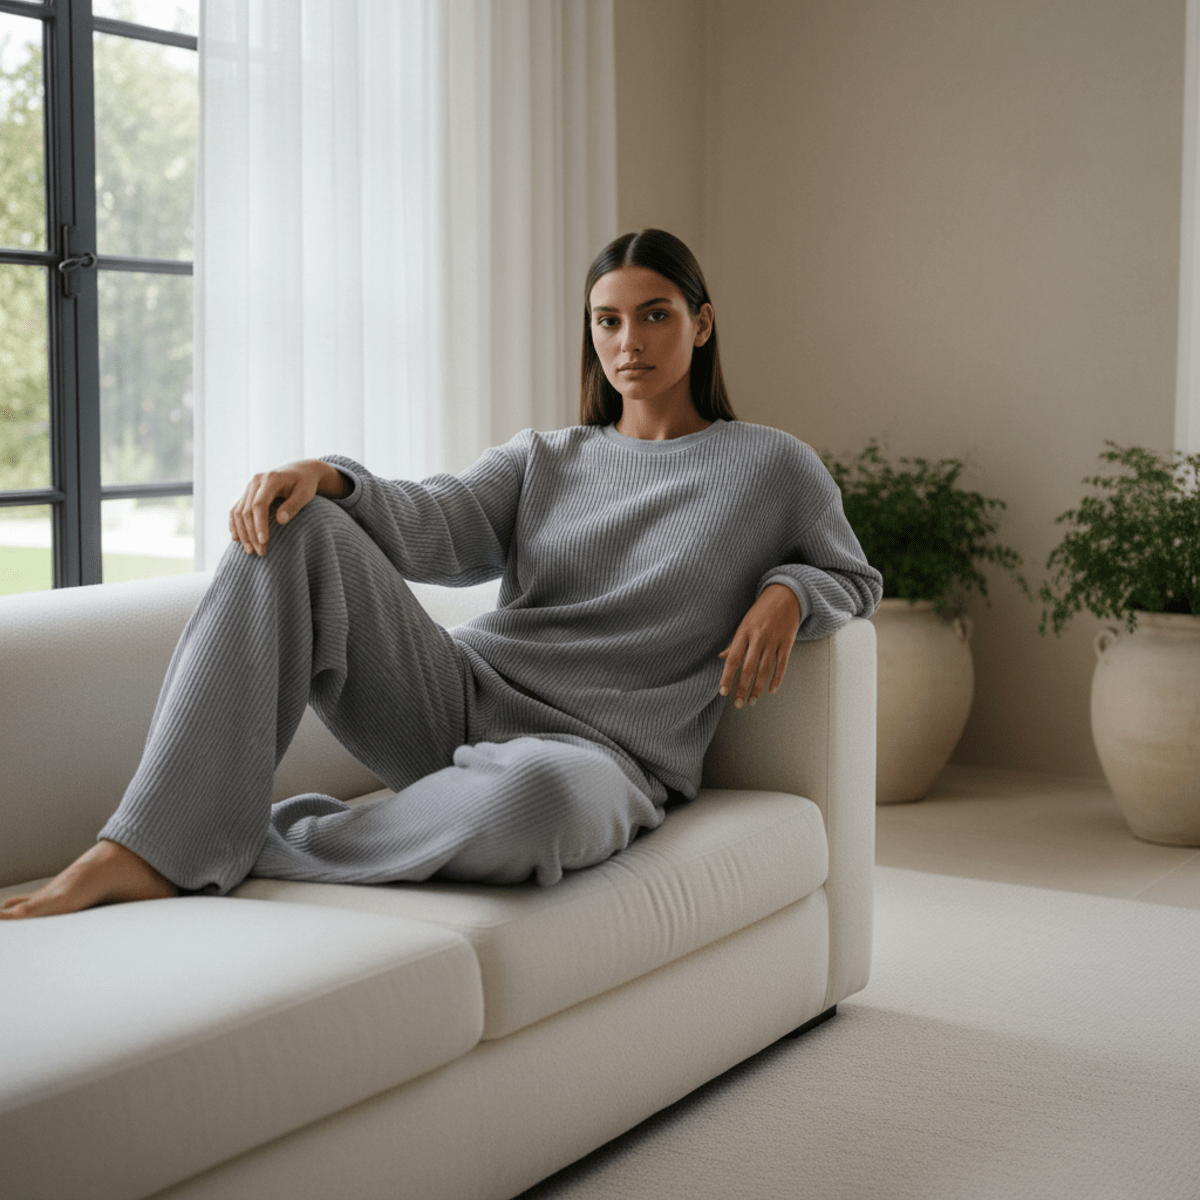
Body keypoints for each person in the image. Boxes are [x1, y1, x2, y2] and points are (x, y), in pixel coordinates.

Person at [0, 229, 881, 920]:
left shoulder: (774, 467)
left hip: (599, 754)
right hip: (458, 698)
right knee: (297, 526)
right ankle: (153, 844)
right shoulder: (548, 458)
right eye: (607, 320)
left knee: (535, 804)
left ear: (703, 321)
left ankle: (253, 839)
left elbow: (854, 576)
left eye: (655, 315)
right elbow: (434, 521)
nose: (629, 342)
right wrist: (331, 477)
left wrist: (786, 591)